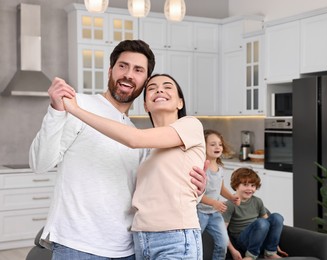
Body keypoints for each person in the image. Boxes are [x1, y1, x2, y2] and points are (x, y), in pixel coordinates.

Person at [29, 40, 207, 260]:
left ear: (144, 81)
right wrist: (57, 111)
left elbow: (155, 191)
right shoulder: (78, 106)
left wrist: (197, 191)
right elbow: (39, 163)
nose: (129, 75)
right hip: (78, 244)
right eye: (123, 66)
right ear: (110, 70)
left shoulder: (141, 139)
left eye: (138, 70)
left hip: (128, 248)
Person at [63, 73, 206, 259]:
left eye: (167, 86)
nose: (159, 89)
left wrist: (76, 110)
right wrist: (200, 190)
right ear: (146, 105)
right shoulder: (148, 151)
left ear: (180, 102)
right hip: (141, 239)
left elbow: (134, 139)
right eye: (152, 88)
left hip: (176, 238)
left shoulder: (190, 125)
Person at [223, 167, 288, 260]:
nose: (250, 189)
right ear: (236, 185)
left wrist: (275, 244)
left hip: (261, 240)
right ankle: (251, 256)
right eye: (245, 185)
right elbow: (222, 231)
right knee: (261, 222)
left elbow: (269, 223)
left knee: (277, 217)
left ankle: (270, 253)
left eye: (253, 185)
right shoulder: (230, 204)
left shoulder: (257, 201)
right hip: (244, 241)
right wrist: (233, 251)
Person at [197, 129, 240, 260]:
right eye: (213, 144)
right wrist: (214, 203)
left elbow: (220, 188)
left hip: (214, 214)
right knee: (195, 244)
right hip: (199, 212)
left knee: (222, 243)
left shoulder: (220, 167)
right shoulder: (200, 168)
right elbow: (196, 195)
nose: (218, 147)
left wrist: (231, 197)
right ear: (203, 146)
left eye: (220, 144)